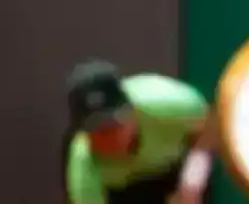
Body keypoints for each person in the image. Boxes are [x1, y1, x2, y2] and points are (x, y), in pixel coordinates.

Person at [63, 60, 217, 204]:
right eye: (95, 131)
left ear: (131, 110)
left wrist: (191, 182)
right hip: (122, 191)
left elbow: (209, 128)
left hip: (175, 170)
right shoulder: (83, 164)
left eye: (113, 125)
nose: (107, 138)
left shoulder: (170, 103)